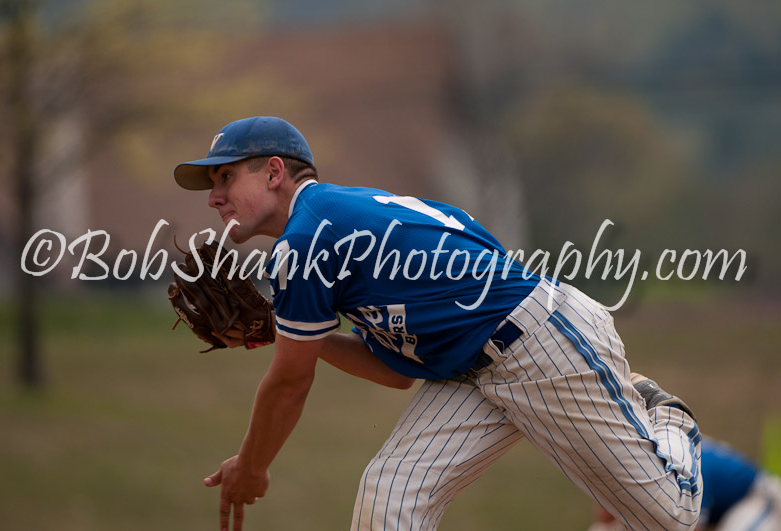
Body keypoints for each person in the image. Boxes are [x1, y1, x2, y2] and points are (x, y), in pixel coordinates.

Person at [174, 116, 703, 531]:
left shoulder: (310, 236)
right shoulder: (332, 227)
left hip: (544, 344)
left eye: (226, 175)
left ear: (272, 172)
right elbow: (396, 370)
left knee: (667, 518)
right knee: (390, 498)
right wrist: (279, 331)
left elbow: (290, 382)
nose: (214, 195)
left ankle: (668, 417)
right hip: (477, 368)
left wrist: (252, 464)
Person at [589, 437, 781, 531]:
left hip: (758, 501)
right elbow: (606, 517)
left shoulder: (684, 467)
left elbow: (691, 528)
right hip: (719, 512)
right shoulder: (642, 461)